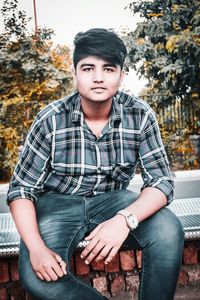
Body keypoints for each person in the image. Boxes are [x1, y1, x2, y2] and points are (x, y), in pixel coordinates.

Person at [7, 28, 184, 300]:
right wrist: (37, 248)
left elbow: (160, 182)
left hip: (113, 201)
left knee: (169, 230)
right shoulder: (50, 119)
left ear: (121, 76)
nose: (98, 78)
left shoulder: (140, 115)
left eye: (109, 69)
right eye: (88, 68)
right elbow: (21, 190)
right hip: (57, 203)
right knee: (37, 277)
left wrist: (125, 219)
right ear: (75, 73)